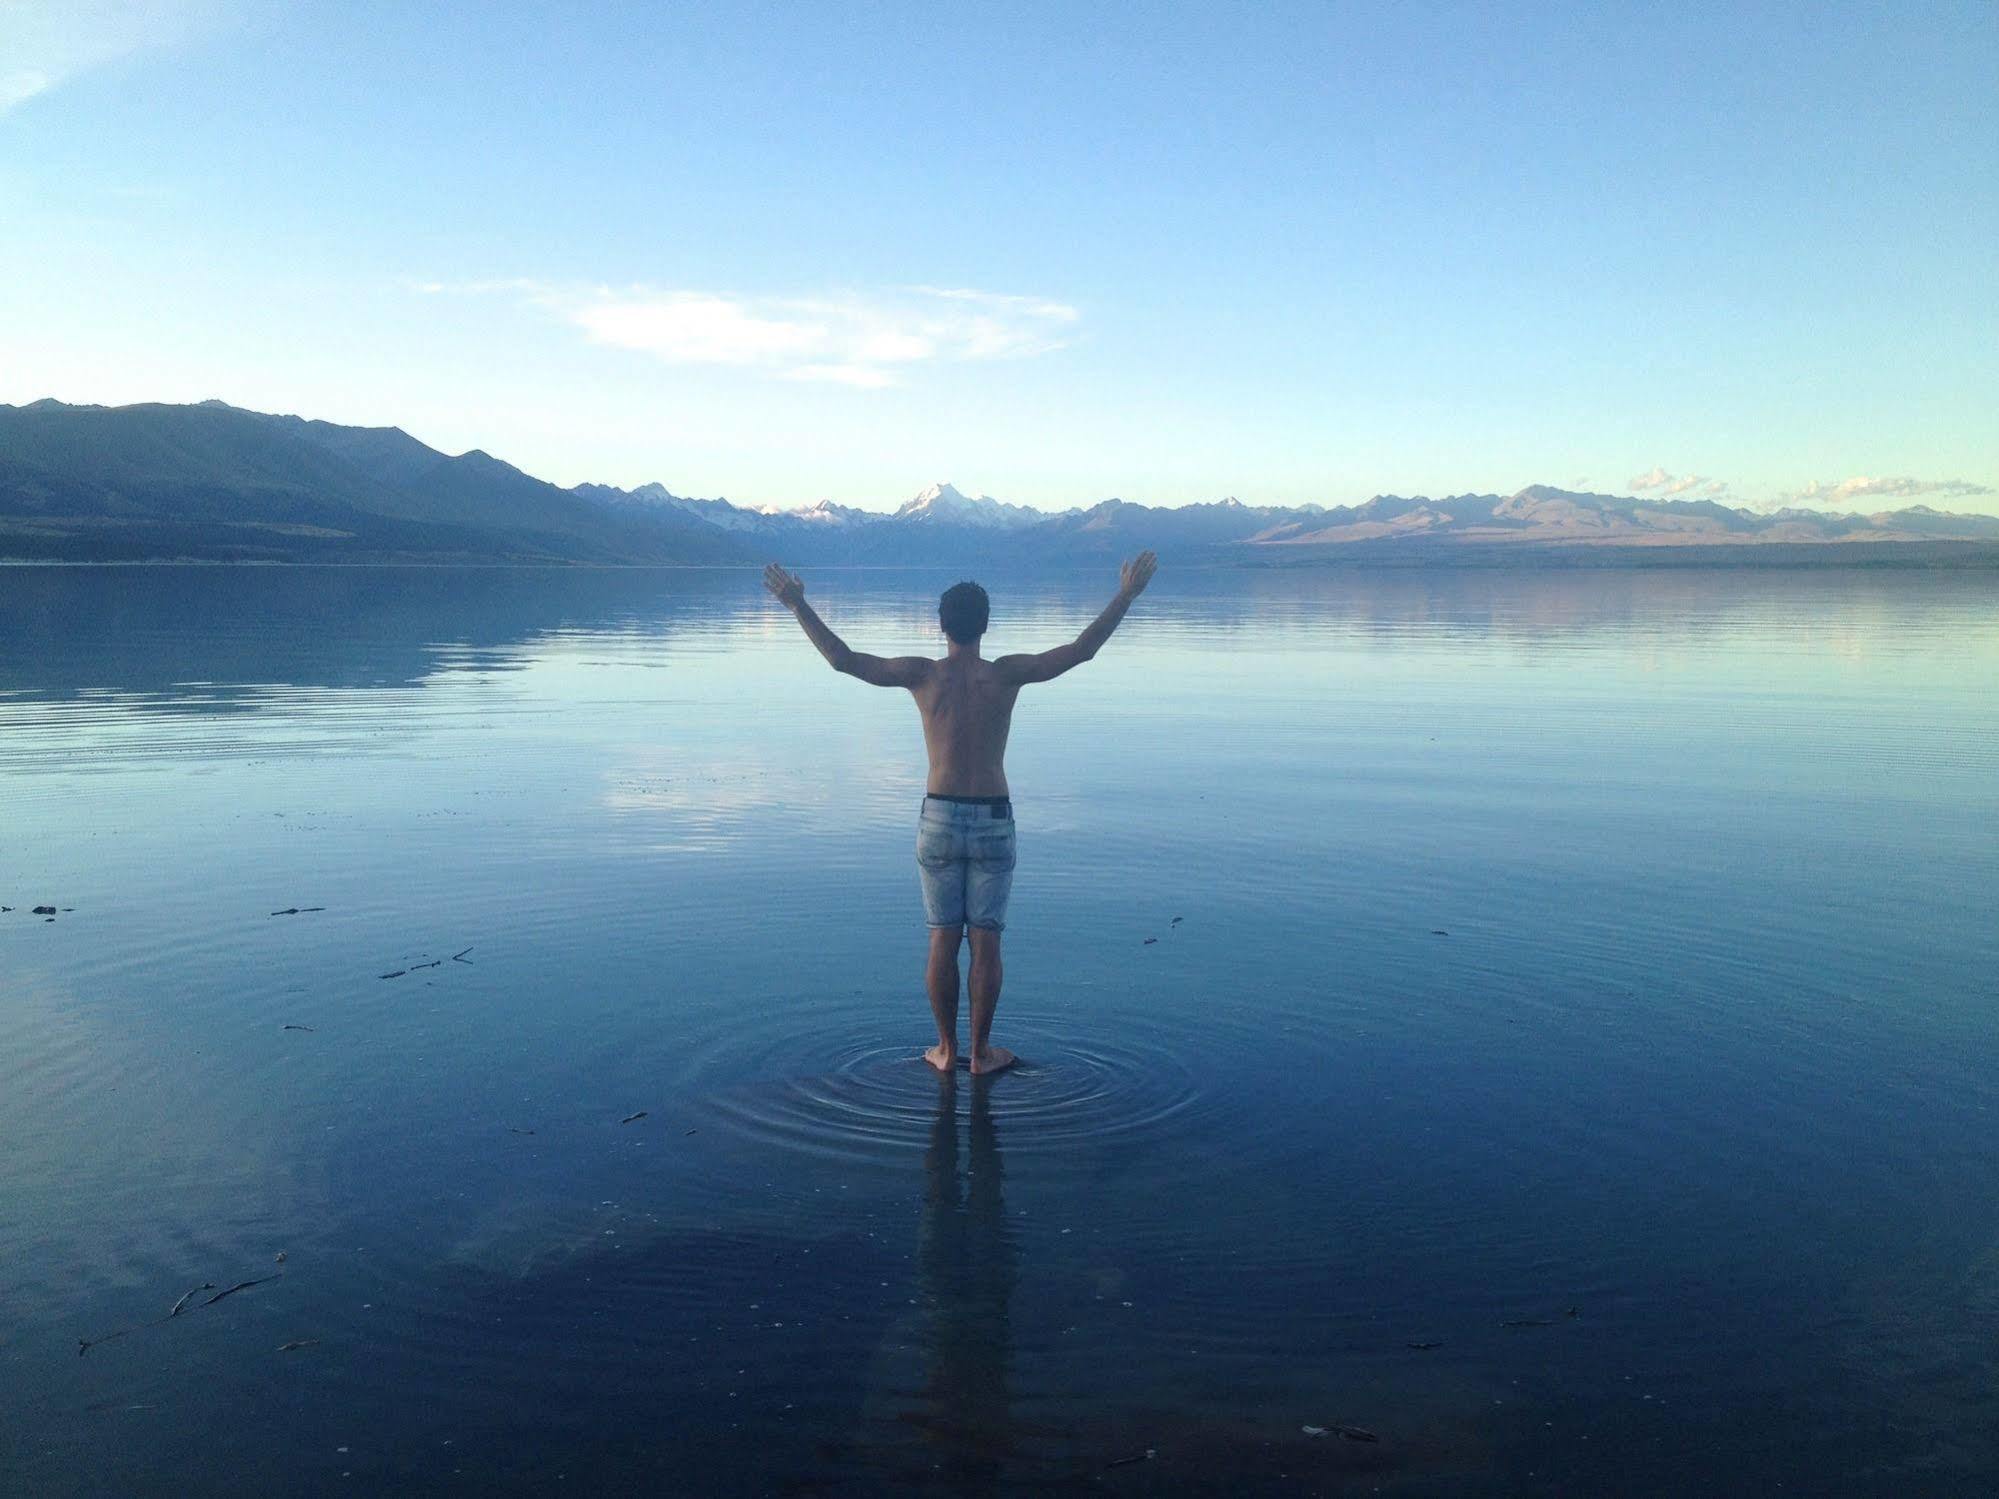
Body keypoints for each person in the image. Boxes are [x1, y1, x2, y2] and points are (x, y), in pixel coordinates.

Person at [762, 552, 1159, 1074]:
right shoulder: (1007, 674)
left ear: (940, 625)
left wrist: (797, 605)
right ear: (986, 626)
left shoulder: (923, 675)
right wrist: (1125, 595)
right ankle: (981, 1053)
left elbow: (843, 659)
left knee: (942, 940)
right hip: (994, 818)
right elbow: (1081, 651)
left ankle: (946, 1050)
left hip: (940, 819)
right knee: (986, 944)